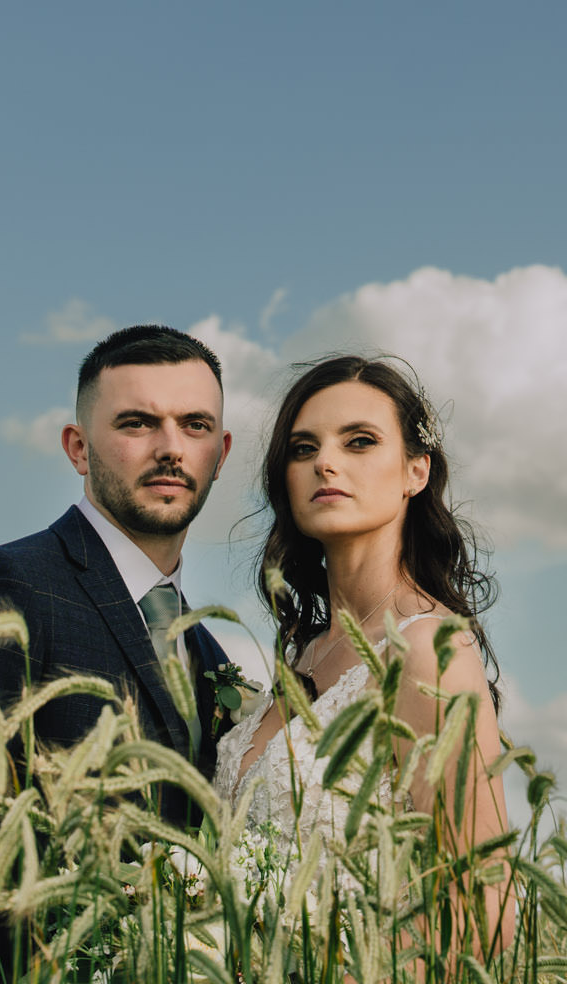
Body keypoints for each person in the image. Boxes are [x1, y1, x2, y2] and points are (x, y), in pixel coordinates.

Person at [0, 323, 236, 849]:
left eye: (195, 425)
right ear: (78, 448)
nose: (170, 448)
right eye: (137, 423)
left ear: (221, 454)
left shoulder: (208, 651)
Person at [214, 354, 511, 947]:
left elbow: (480, 914)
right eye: (303, 449)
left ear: (416, 471)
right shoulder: (302, 656)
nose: (325, 462)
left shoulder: (431, 651)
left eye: (359, 442)